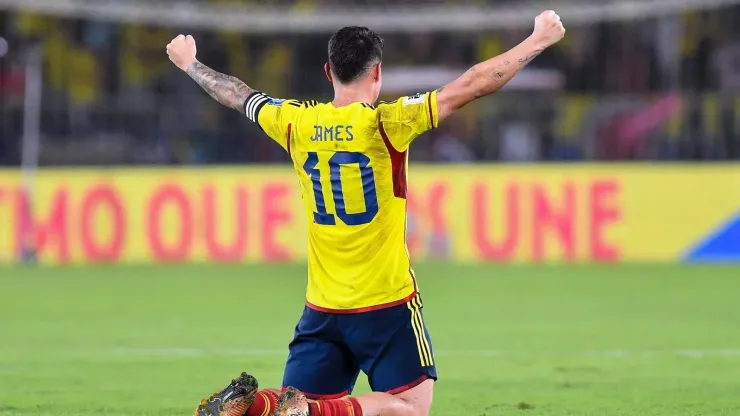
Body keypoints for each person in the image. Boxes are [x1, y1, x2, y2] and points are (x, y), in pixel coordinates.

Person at [166, 11, 564, 416]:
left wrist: (189, 63)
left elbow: (236, 93)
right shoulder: (387, 122)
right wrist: (538, 40)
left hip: (322, 309)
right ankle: (312, 412)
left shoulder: (295, 122)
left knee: (292, 405)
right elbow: (473, 84)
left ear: (328, 71)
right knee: (410, 406)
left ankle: (256, 407)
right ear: (377, 72)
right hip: (385, 306)